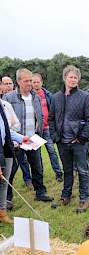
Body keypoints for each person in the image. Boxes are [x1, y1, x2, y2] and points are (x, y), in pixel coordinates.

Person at [49, 65, 89, 212]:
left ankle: (83, 198)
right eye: (70, 77)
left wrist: (82, 138)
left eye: (75, 77)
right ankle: (66, 195)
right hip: (62, 142)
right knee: (67, 170)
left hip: (78, 142)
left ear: (78, 80)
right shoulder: (56, 97)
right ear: (65, 78)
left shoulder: (85, 97)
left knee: (82, 170)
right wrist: (55, 136)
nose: (73, 80)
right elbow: (50, 119)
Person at [4, 68, 53, 209]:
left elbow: (40, 117)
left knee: (37, 167)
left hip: (32, 140)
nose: (30, 83)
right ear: (18, 81)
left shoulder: (36, 97)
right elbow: (6, 121)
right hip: (16, 142)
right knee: (12, 170)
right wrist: (13, 140)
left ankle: (40, 193)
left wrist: (39, 134)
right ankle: (7, 199)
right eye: (26, 81)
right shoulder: (9, 98)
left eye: (31, 80)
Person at [0, 100, 29, 223]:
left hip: (5, 149)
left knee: (3, 183)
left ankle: (2, 212)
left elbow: (5, 129)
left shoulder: (2, 105)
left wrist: (22, 138)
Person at [1, 76, 32, 190]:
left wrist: (19, 137)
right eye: (5, 83)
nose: (8, 86)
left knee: (20, 163)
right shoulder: (7, 99)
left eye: (10, 83)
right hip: (7, 143)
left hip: (14, 139)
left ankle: (27, 180)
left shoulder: (6, 104)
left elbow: (13, 125)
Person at [32, 73, 63, 182]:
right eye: (34, 82)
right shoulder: (29, 96)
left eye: (38, 82)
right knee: (37, 154)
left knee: (51, 150)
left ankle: (58, 173)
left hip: (47, 128)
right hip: (36, 130)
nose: (36, 84)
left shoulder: (48, 95)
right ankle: (39, 175)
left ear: (41, 82)